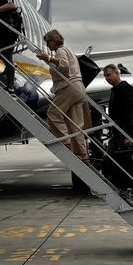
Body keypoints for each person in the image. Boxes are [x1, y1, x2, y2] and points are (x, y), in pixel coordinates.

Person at [37, 30, 89, 165]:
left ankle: (66, 141)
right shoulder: (69, 51)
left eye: (48, 42)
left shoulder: (60, 51)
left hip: (69, 87)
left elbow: (64, 66)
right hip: (79, 87)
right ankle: (84, 156)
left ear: (54, 41)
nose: (47, 45)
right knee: (76, 125)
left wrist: (48, 58)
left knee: (53, 113)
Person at [103, 64, 133, 204]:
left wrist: (128, 136)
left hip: (126, 135)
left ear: (117, 74)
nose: (107, 78)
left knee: (124, 165)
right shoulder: (117, 90)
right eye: (105, 76)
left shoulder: (124, 90)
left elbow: (129, 115)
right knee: (122, 164)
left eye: (109, 75)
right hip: (119, 135)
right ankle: (129, 191)